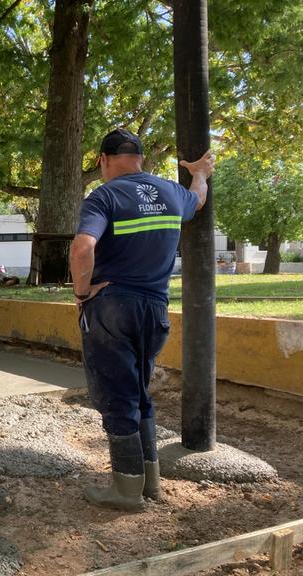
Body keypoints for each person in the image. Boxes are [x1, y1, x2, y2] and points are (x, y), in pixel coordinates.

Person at [69, 128, 214, 511]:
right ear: (141, 159)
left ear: (103, 160)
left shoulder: (104, 196)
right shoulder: (171, 192)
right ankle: (150, 483)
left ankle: (125, 491)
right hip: (155, 309)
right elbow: (197, 200)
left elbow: (83, 247)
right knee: (139, 392)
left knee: (116, 396)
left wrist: (82, 293)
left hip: (112, 308)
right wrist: (199, 172)